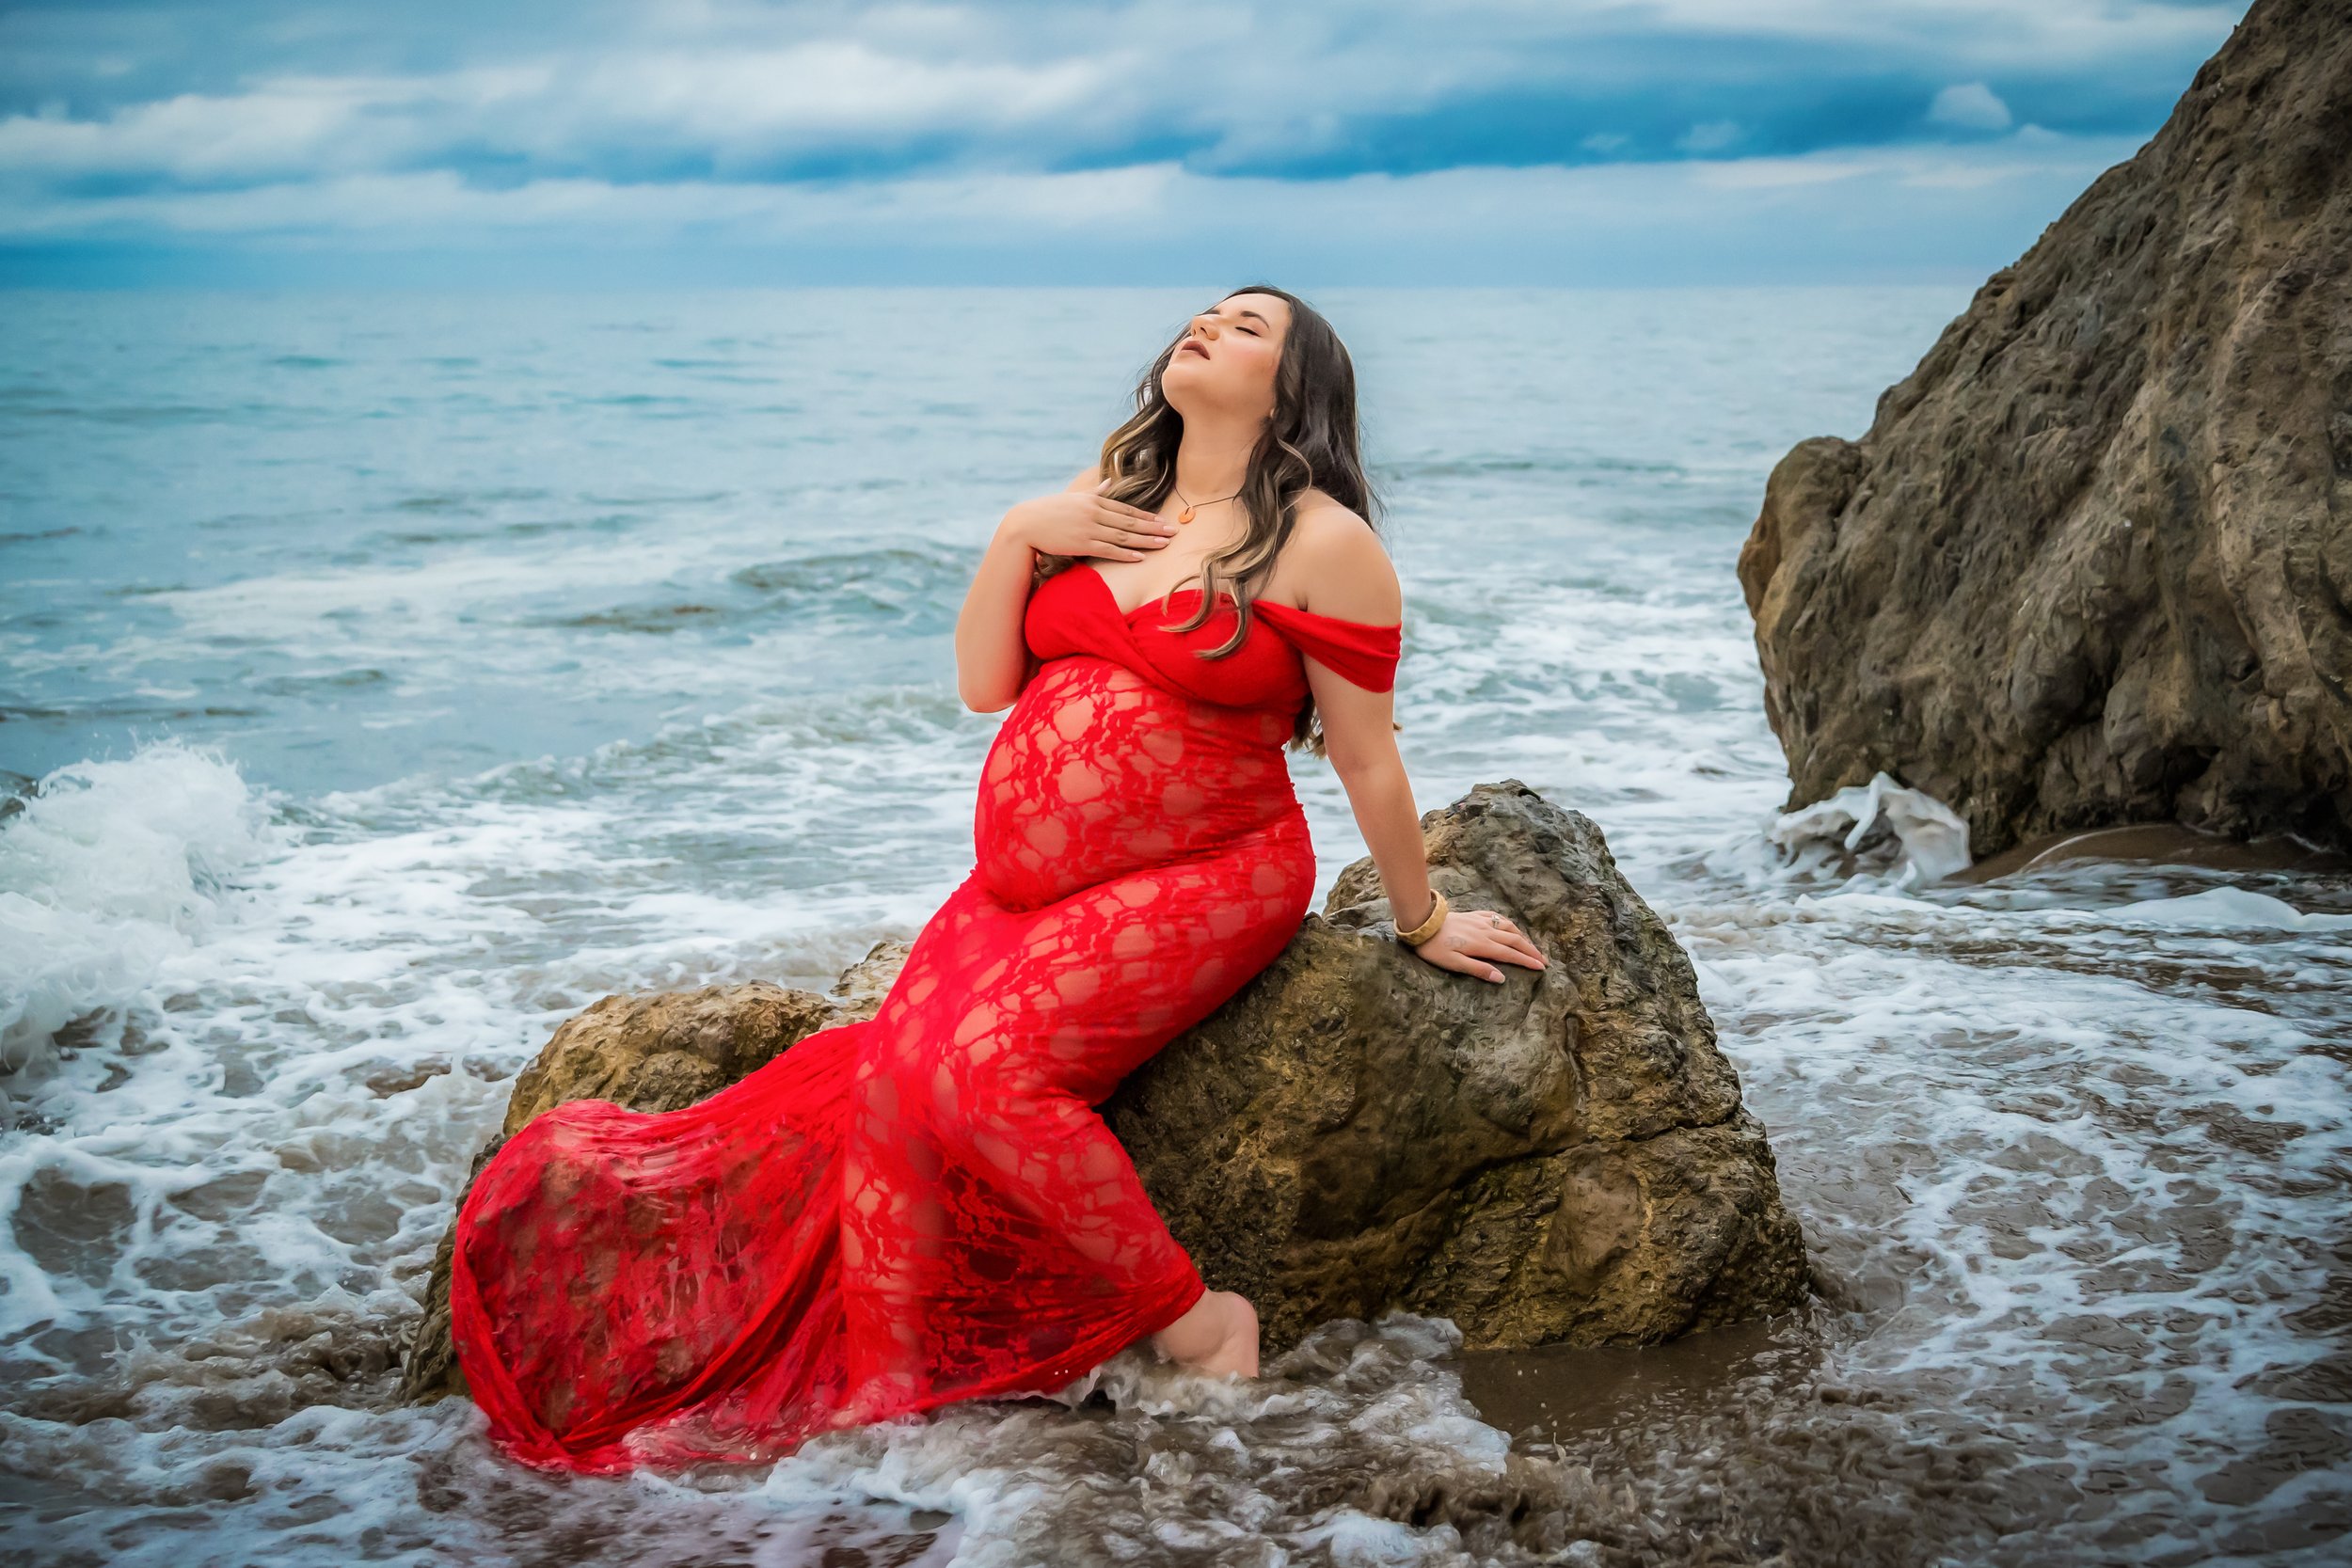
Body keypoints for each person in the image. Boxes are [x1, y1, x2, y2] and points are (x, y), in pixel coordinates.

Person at [447, 284, 1550, 1474]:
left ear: (1296, 390)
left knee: (984, 1082)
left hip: (1210, 867)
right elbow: (986, 680)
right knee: (889, 1092)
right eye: (1206, 312)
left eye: (1247, 327)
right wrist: (1019, 534)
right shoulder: (1105, 500)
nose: (1206, 325)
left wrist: (1420, 913)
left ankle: (1199, 1319)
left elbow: (1363, 750)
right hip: (1019, 892)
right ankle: (894, 1390)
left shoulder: (1325, 541)